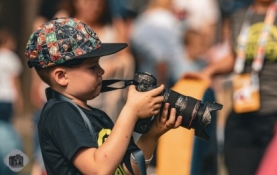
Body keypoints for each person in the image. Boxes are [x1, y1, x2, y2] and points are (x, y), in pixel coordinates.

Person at [25, 17, 183, 174]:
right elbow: (99, 169)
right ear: (61, 76)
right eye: (93, 67)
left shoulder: (98, 116)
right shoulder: (59, 114)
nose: (102, 71)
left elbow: (128, 171)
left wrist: (152, 135)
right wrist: (131, 111)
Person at [181, 0, 277, 174]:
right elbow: (237, 56)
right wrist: (208, 72)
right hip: (243, 115)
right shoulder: (239, 16)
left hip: (276, 115)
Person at [55, 0, 135, 122]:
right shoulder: (65, 25)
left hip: (106, 100)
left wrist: (113, 66)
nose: (94, 6)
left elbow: (125, 56)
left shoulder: (114, 26)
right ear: (75, 0)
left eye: (99, 2)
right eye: (88, 1)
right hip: (70, 99)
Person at [0, 28, 23, 122]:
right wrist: (19, 98)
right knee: (6, 124)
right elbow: (14, 80)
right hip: (8, 97)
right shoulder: (12, 58)